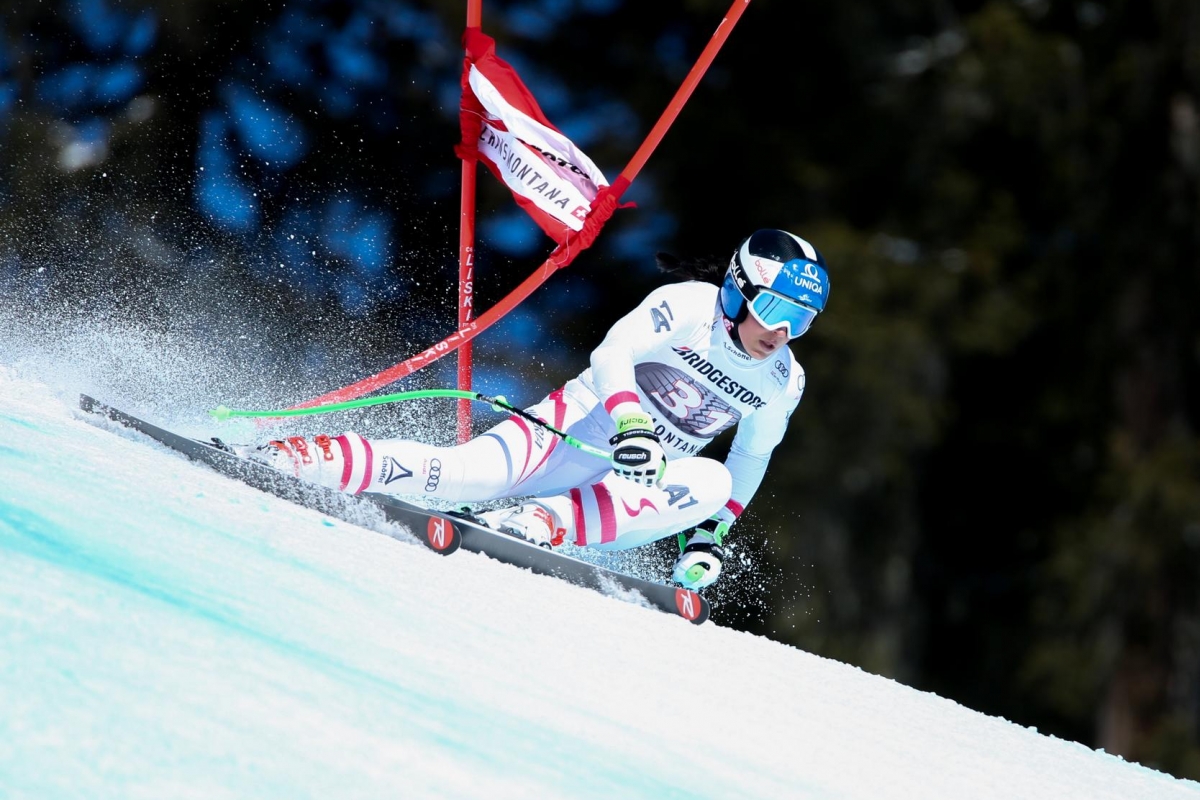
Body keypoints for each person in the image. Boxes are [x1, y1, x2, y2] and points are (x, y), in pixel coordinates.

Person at [260, 229, 830, 591]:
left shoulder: (784, 378)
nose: (782, 332)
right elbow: (614, 352)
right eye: (777, 308)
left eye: (801, 320)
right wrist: (631, 419)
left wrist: (710, 534)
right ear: (738, 291)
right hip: (574, 427)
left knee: (712, 477)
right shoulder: (687, 307)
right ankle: (304, 456)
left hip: (629, 492)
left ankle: (545, 522)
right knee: (461, 473)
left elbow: (753, 454)